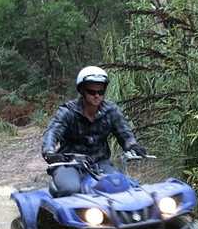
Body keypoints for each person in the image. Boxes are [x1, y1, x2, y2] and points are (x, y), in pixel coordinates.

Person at [41, 66, 147, 196]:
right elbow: (52, 132)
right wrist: (49, 152)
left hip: (100, 162)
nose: (96, 95)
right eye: (91, 92)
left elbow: (124, 133)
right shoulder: (68, 112)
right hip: (69, 163)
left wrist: (133, 146)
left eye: (100, 92)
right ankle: (56, 209)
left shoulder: (111, 111)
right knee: (70, 189)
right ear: (82, 91)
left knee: (120, 186)